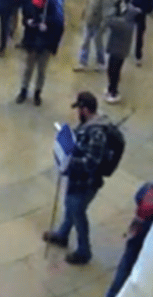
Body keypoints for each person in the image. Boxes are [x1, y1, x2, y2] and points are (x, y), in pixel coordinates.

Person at [43, 91, 111, 265]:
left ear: (85, 109)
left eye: (79, 109)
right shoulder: (87, 124)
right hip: (77, 181)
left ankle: (84, 251)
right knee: (70, 208)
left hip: (86, 184)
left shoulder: (97, 133)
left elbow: (91, 162)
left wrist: (68, 161)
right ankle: (62, 235)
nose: (77, 113)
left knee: (77, 214)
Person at [104, 162, 153, 297]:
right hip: (152, 234)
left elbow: (137, 198)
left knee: (126, 263)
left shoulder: (148, 187)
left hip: (137, 229)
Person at [16, 0, 64, 106]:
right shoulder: (31, 6)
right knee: (28, 69)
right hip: (32, 44)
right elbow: (25, 18)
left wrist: (48, 28)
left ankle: (37, 93)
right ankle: (23, 90)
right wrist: (27, 22)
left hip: (45, 46)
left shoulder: (54, 12)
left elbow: (59, 29)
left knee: (41, 71)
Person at [75, 0, 115, 71]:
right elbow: (89, 4)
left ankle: (101, 62)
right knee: (85, 42)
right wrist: (84, 14)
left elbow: (108, 12)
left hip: (98, 24)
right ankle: (82, 62)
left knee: (99, 44)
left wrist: (103, 25)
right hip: (89, 21)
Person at [104, 1, 138, 104]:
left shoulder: (124, 24)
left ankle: (113, 92)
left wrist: (115, 10)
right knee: (114, 71)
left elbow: (109, 21)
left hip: (117, 52)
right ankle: (111, 88)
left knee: (113, 72)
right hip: (120, 52)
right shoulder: (129, 24)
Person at [123, 0, 153, 66]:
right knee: (127, 33)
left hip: (141, 16)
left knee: (139, 37)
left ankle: (138, 56)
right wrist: (129, 6)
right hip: (131, 14)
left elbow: (151, 5)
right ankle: (124, 51)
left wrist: (142, 10)